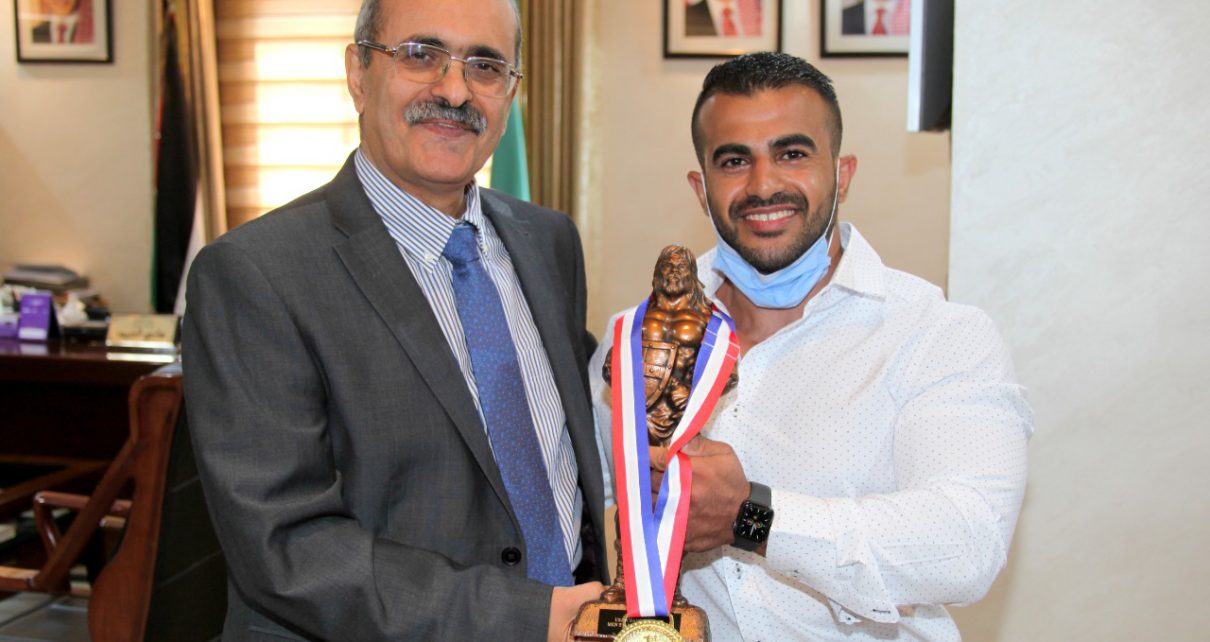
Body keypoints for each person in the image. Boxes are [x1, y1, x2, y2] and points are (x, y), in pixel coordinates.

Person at [182, 0, 606, 640]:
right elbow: (289, 547)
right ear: (358, 73)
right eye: (421, 55)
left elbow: (564, 447)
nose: (455, 91)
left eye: (485, 66)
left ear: (511, 91)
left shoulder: (549, 241)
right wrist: (530, 619)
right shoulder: (254, 274)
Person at [591, 52, 1032, 641]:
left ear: (843, 174)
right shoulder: (636, 340)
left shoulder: (938, 334)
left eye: (792, 154)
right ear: (701, 187)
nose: (763, 185)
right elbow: (584, 510)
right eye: (734, 161)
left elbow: (966, 544)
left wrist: (751, 516)